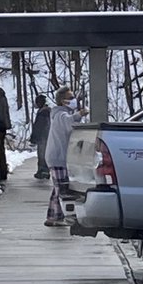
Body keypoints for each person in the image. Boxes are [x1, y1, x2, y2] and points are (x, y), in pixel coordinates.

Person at [44, 86, 83, 227]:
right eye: (71, 98)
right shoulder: (60, 115)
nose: (74, 101)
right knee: (61, 188)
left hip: (59, 157)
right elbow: (69, 123)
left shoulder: (61, 114)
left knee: (58, 188)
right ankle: (55, 217)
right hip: (58, 157)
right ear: (62, 101)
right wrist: (79, 115)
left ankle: (54, 216)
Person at [29, 93, 51, 180]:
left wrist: (34, 138)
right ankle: (44, 171)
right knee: (44, 154)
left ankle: (43, 171)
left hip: (43, 136)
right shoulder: (48, 111)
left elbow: (39, 126)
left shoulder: (43, 112)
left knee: (42, 154)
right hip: (48, 135)